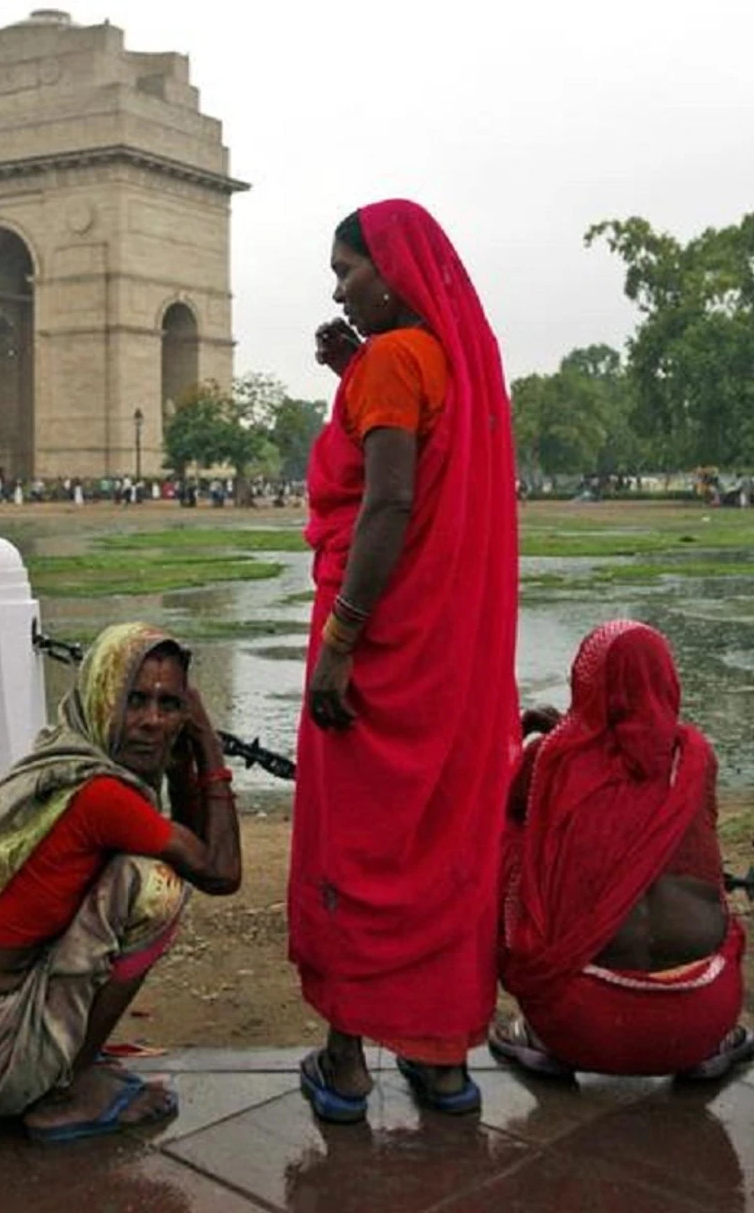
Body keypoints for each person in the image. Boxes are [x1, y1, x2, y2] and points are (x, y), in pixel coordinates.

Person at [288, 199, 519, 1122]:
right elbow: (427, 463)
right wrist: (356, 369)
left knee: (359, 839)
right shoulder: (457, 362)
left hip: (377, 646)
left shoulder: (393, 362)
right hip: (449, 652)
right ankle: (442, 1061)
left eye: (347, 270)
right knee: (443, 837)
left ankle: (345, 1063)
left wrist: (341, 642)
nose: (339, 290)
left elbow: (388, 504)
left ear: (393, 271)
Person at [0, 622, 241, 1142]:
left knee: (130, 874)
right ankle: (64, 1091)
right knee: (156, 887)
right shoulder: (102, 797)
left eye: (169, 705)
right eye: (134, 700)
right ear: (100, 697)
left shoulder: (65, 760)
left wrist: (183, 758)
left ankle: (62, 1061)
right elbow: (220, 873)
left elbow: (193, 841)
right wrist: (209, 747)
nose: (152, 721)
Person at [494, 619, 752, 1080]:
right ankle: (712, 1042)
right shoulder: (696, 757)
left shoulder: (552, 758)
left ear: (587, 684)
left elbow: (510, 805)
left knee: (510, 837)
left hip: (578, 1022)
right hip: (704, 1014)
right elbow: (638, 769)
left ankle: (536, 1034)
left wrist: (546, 741)